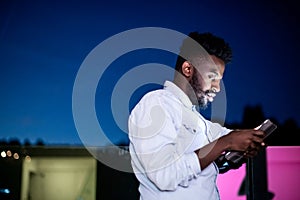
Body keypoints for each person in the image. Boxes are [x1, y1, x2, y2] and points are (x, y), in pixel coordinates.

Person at [128, 31, 265, 200]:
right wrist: (226, 143)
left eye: (219, 80)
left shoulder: (200, 122)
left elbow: (227, 138)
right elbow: (163, 175)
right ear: (187, 69)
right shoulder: (156, 104)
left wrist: (236, 151)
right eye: (212, 77)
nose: (218, 87)